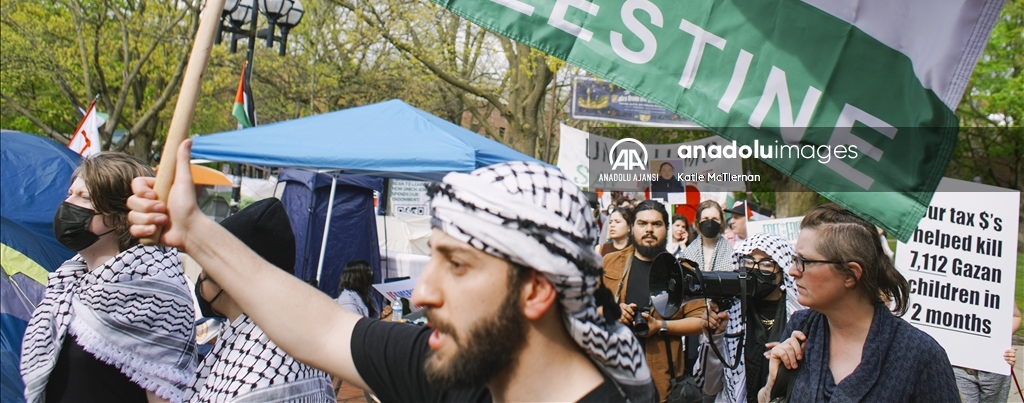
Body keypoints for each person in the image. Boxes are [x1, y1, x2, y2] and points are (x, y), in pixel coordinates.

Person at [128, 141, 658, 403]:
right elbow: (321, 328)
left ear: (536, 291)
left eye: (457, 265)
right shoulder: (458, 370)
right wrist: (193, 230)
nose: (422, 293)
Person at [20, 152, 197, 403]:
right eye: (70, 194)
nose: (68, 204)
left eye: (84, 198)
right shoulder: (67, 283)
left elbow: (166, 395)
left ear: (121, 218)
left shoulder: (155, 294)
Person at [758, 204, 959, 403]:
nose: (793, 271)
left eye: (805, 261)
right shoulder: (801, 328)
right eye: (795, 259)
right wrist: (773, 385)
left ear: (851, 275)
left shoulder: (921, 357)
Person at [187, 198, 335, 402]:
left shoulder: (250, 382)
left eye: (205, 271)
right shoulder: (297, 335)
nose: (200, 281)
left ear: (224, 281)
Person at [603, 200, 705, 402]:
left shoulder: (684, 270)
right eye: (642, 223)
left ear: (666, 229)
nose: (649, 229)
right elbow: (587, 307)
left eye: (656, 224)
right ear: (632, 228)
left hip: (663, 382)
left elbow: (701, 320)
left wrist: (660, 326)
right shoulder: (610, 262)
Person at [694, 232, 802, 403]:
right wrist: (713, 338)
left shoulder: (800, 316)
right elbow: (709, 387)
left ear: (782, 270)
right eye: (749, 261)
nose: (755, 269)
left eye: (766, 264)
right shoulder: (730, 311)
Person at [952, 300, 1021, 403]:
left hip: (995, 365)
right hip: (959, 366)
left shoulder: (1000, 291)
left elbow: (1015, 317)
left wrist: (999, 338)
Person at [681, 200, 733, 273]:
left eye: (715, 219)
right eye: (705, 218)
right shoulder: (688, 253)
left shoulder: (731, 254)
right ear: (698, 222)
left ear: (721, 222)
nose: (710, 223)